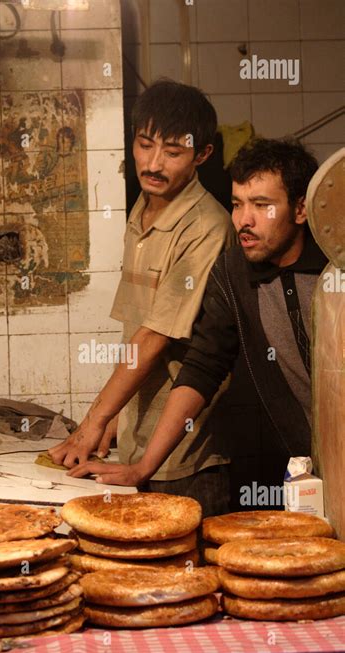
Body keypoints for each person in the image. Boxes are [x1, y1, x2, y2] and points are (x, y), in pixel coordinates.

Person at [67, 138, 327, 491]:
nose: (243, 221)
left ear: (301, 209)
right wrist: (143, 468)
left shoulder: (333, 268)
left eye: (262, 205)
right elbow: (204, 367)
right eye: (237, 204)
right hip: (297, 467)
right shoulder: (232, 271)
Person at [49, 79, 236, 515]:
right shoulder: (144, 208)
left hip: (186, 458)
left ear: (201, 155)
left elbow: (154, 338)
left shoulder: (207, 226)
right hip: (137, 446)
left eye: (172, 152)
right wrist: (113, 421)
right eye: (144, 144)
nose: (153, 163)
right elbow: (135, 328)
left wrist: (92, 422)